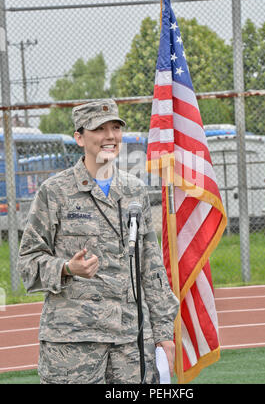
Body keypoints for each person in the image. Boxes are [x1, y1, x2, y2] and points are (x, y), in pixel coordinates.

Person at [17, 99, 179, 384]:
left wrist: (164, 334)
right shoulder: (55, 192)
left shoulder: (134, 190)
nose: (110, 136)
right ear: (79, 137)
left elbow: (152, 269)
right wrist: (67, 268)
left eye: (115, 128)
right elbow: (27, 264)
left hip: (130, 342)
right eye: (99, 129)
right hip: (74, 345)